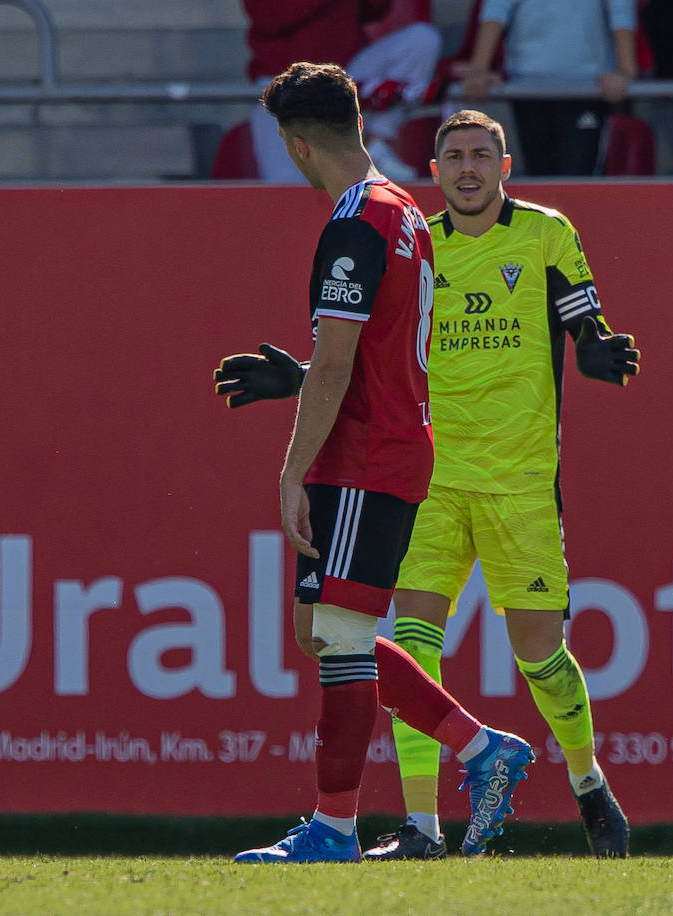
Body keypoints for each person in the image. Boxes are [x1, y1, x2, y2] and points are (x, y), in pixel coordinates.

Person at [213, 108, 641, 860]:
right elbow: (384, 356)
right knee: (409, 638)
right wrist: (302, 379)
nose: (469, 167)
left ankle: (587, 783)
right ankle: (422, 828)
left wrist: (597, 353)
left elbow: (587, 325)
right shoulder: (418, 240)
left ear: (506, 166)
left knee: (539, 654)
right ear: (436, 170)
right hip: (433, 476)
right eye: (454, 156)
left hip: (520, 480)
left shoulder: (546, 233)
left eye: (483, 154)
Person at [221, 61, 534, 863]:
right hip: (373, 446)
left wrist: (292, 469)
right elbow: (369, 354)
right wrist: (306, 378)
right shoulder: (405, 214)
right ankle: (478, 747)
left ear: (295, 146)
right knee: (321, 633)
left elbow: (339, 365)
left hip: (364, 456)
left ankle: (334, 826)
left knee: (344, 635)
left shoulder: (356, 222)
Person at [242, 0, 442, 182]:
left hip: (346, 69)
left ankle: (376, 143)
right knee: (288, 191)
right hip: (284, 78)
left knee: (422, 40)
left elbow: (375, 9)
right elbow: (270, 17)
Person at [455, 0, 639, 176]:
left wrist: (625, 71)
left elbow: (620, 8)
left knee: (580, 175)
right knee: (537, 177)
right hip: (525, 88)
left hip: (588, 88)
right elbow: (497, 7)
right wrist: (479, 70)